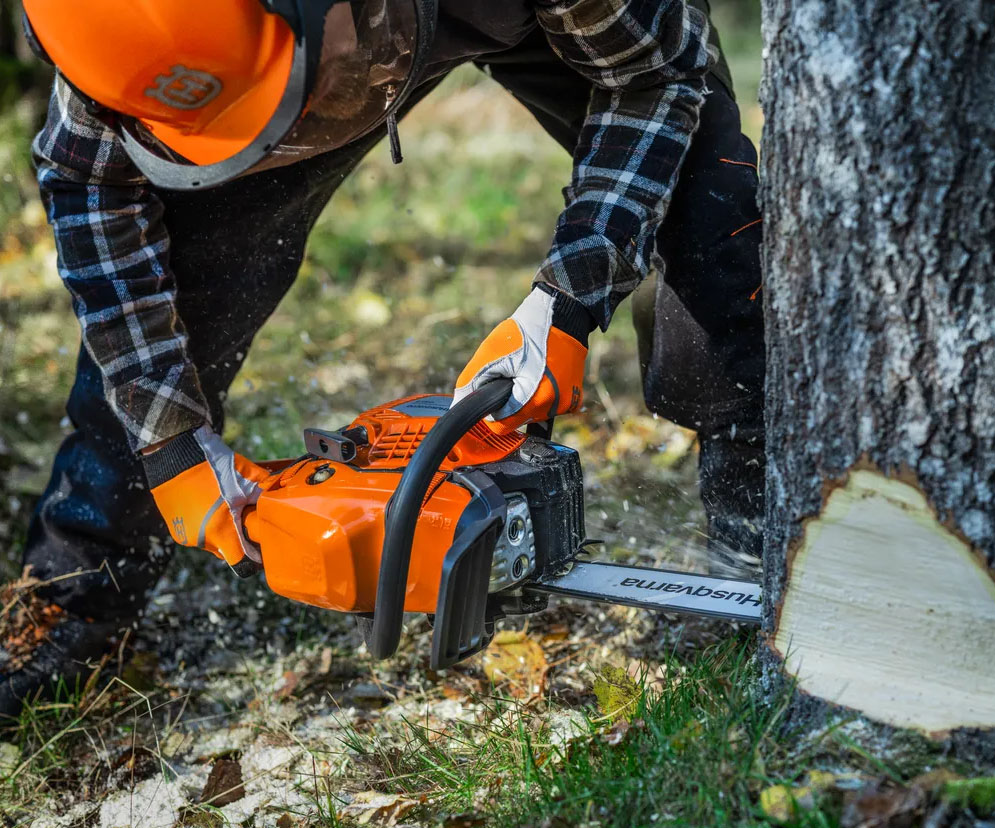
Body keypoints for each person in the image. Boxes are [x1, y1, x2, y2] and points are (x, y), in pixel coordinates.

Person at [2, 0, 764, 716]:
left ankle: (755, 530)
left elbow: (655, 75)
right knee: (173, 314)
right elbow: (85, 179)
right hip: (271, 59)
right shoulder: (116, 29)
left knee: (710, 208)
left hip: (510, 21)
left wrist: (568, 297)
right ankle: (73, 607)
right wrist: (169, 443)